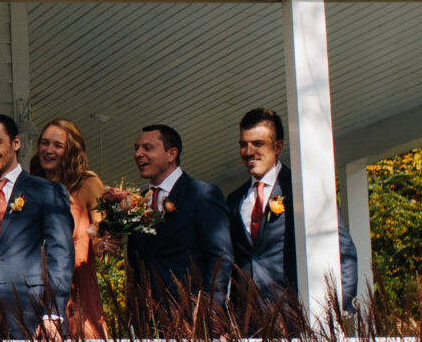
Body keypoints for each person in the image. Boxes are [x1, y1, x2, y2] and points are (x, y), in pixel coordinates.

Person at [227, 107, 361, 323]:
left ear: (278, 146)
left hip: (294, 318)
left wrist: (341, 308)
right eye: (243, 144)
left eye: (258, 144)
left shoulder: (302, 189)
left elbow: (343, 249)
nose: (249, 151)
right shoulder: (234, 200)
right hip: (246, 323)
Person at [0, 114, 73, 342]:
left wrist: (53, 313)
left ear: (16, 143)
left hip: (34, 317)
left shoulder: (47, 192)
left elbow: (61, 254)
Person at [32, 117, 116, 342]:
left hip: (77, 295)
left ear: (72, 151)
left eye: (58, 145)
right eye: (44, 143)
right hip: (37, 294)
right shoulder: (32, 188)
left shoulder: (86, 184)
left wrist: (104, 241)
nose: (49, 150)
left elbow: (100, 232)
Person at [122, 122, 235, 328]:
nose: (138, 154)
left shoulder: (202, 195)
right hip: (148, 324)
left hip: (192, 319)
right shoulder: (137, 203)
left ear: (172, 154)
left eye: (147, 148)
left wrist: (208, 311)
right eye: (136, 148)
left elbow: (220, 257)